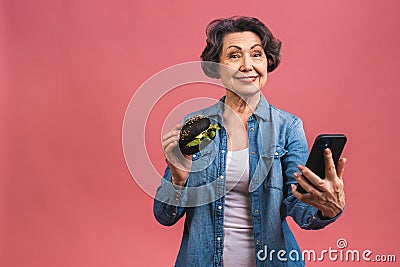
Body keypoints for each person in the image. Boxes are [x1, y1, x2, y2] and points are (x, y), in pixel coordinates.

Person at [153, 16, 346, 267]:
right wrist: (178, 181)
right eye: (234, 56)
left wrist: (326, 209)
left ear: (268, 62)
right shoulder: (195, 125)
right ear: (216, 66)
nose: (247, 65)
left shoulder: (288, 127)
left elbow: (300, 208)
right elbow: (164, 216)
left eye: (256, 54)